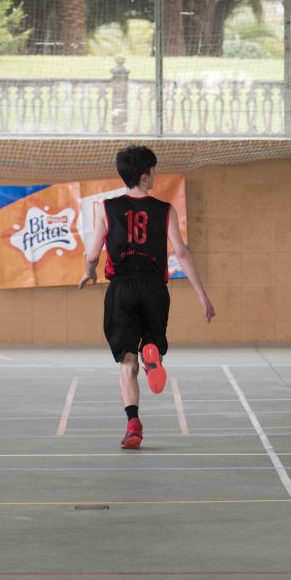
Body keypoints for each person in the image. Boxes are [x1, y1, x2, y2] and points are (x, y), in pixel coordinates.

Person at [80, 146, 215, 450]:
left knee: (126, 363)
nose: (155, 175)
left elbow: (92, 254)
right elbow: (181, 254)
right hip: (154, 288)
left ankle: (133, 424)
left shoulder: (106, 208)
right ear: (144, 175)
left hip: (121, 289)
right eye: (153, 171)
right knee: (151, 342)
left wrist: (89, 273)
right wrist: (201, 294)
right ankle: (151, 353)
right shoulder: (165, 210)